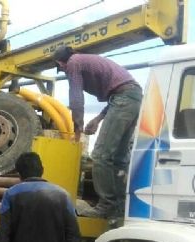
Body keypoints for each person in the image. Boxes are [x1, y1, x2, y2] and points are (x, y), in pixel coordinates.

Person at [53, 45, 143, 218]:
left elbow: (76, 97)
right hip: (132, 98)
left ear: (60, 63)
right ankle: (119, 206)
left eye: (60, 69)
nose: (64, 72)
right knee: (118, 157)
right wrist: (98, 119)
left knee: (101, 155)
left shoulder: (73, 62)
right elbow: (119, 94)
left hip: (124, 98)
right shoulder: (86, 60)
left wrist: (77, 127)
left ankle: (107, 205)